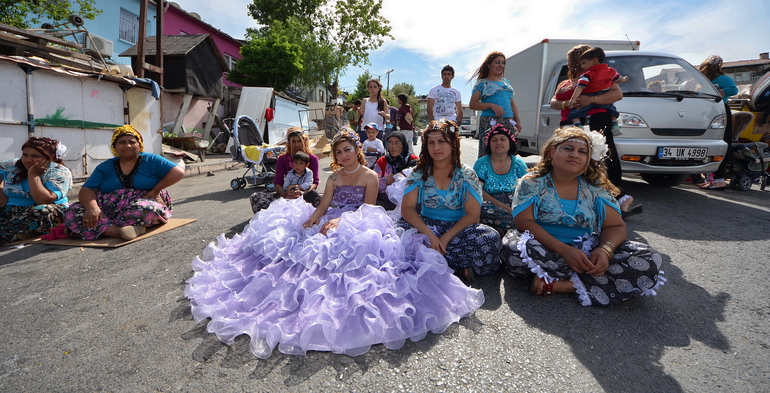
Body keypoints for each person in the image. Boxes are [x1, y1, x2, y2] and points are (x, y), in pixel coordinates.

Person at [185, 128, 484, 359]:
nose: (343, 156)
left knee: (351, 251)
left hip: (360, 220)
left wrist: (342, 222)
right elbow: (324, 205)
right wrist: (313, 219)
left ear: (357, 149)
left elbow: (367, 208)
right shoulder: (333, 177)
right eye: (338, 152)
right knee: (301, 247)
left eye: (347, 150)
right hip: (333, 216)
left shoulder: (370, 176)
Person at [500, 126, 664, 306]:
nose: (574, 154)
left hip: (585, 252)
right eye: (568, 148)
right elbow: (524, 221)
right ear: (553, 152)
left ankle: (562, 284)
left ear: (588, 159)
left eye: (582, 151)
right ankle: (593, 280)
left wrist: (605, 251)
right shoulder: (532, 182)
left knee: (649, 258)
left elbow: (615, 226)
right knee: (514, 250)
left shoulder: (596, 188)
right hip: (545, 247)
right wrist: (565, 251)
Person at [397, 119, 502, 284]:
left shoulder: (466, 174)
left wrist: (444, 239)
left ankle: (429, 261)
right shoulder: (419, 172)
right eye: (431, 142)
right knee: (400, 234)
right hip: (425, 227)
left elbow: (473, 216)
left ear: (453, 143)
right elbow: (408, 209)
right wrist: (430, 236)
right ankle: (458, 267)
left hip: (457, 229)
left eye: (441, 141)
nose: (436, 148)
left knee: (490, 237)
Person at [549, 44, 642, 218]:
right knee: (572, 162)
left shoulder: (598, 77)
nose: (568, 66)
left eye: (571, 62)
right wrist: (566, 104)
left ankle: (617, 198)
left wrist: (590, 99)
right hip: (569, 124)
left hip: (595, 119)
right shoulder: (566, 83)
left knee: (600, 158)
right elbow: (553, 102)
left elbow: (617, 94)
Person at [64, 125, 184, 240]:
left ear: (139, 145)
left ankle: (95, 229)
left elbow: (178, 172)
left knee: (147, 209)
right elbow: (87, 189)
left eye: (132, 142)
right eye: (122, 142)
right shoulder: (105, 166)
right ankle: (119, 231)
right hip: (107, 209)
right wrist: (93, 208)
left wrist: (156, 190)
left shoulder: (151, 160)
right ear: (114, 147)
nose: (127, 145)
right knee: (73, 211)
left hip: (145, 201)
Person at [0, 137, 72, 244]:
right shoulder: (12, 165)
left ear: (50, 157)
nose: (28, 159)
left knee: (42, 211)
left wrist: (33, 175)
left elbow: (44, 200)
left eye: (35, 156)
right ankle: (18, 233)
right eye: (25, 155)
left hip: (42, 211)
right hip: (12, 211)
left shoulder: (58, 172)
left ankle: (18, 232)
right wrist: (1, 193)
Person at [249, 127, 320, 213]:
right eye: (293, 141)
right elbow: (277, 182)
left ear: (304, 142)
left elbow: (315, 182)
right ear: (288, 143)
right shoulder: (282, 158)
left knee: (321, 200)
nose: (297, 144)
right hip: (286, 195)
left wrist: (303, 192)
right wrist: (284, 194)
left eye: (299, 141)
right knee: (255, 197)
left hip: (305, 194)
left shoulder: (312, 158)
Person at [472, 124, 528, 231]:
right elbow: (478, 191)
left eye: (503, 139)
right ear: (489, 144)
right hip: (490, 204)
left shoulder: (519, 164)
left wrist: (514, 209)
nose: (499, 142)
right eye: (494, 140)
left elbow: (526, 192)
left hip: (515, 204)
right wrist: (504, 207)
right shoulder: (482, 163)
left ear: (510, 143)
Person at [469, 51, 523, 157]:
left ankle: (507, 173)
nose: (501, 65)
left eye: (503, 63)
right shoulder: (482, 83)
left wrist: (518, 121)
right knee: (488, 152)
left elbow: (512, 104)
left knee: (508, 152)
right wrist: (491, 105)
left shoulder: (506, 83)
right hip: (490, 121)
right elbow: (472, 104)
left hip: (508, 121)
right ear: (489, 65)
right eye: (497, 62)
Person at [565, 47, 629, 135]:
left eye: (583, 63)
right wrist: (625, 79)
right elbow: (619, 78)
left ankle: (578, 125)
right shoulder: (610, 71)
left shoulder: (587, 75)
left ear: (594, 61)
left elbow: (579, 87)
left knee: (575, 112)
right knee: (612, 109)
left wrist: (574, 100)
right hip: (600, 107)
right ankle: (614, 124)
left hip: (597, 118)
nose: (567, 64)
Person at [698, 55, 739, 191]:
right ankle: (711, 178)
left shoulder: (722, 79)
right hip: (708, 112)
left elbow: (733, 90)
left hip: (719, 111)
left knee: (719, 142)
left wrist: (717, 93)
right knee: (708, 144)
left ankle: (718, 180)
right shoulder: (707, 80)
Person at [374, 131, 419, 210]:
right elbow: (375, 184)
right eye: (390, 143)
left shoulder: (413, 160)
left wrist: (388, 180)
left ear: (403, 144)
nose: (393, 146)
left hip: (410, 200)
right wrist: (400, 175)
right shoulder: (382, 161)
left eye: (397, 143)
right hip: (385, 200)